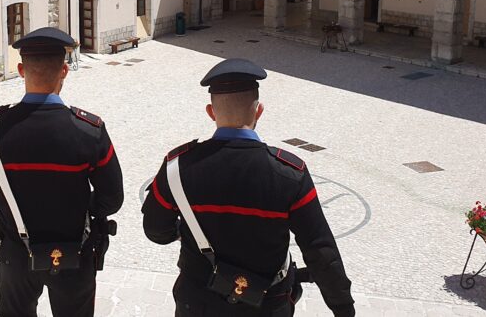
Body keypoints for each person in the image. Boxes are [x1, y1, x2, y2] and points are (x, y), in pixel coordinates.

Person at [141, 58, 355, 317]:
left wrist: (183, 232)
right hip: (267, 304)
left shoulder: (177, 167)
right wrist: (342, 306)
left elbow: (155, 230)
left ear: (211, 112)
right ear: (259, 111)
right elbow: (319, 250)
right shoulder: (290, 174)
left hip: (197, 302)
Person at [0, 27, 124, 317]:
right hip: (76, 249)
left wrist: (7, 211)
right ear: (64, 70)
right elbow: (111, 199)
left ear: (21, 69)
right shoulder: (89, 130)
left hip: (16, 253)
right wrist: (79, 210)